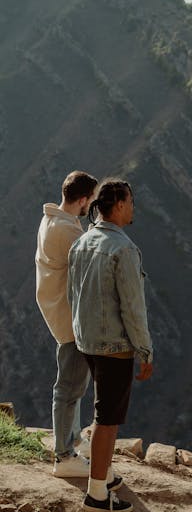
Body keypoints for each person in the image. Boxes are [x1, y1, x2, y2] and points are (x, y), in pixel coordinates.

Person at [67, 179, 153, 512]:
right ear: (117, 204)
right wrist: (145, 351)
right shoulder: (123, 249)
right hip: (115, 345)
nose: (133, 207)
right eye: (130, 201)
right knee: (108, 418)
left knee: (102, 411)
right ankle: (97, 494)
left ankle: (105, 472)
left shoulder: (82, 242)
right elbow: (133, 308)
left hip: (86, 340)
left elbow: (74, 294)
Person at [35, 170, 98, 477]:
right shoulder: (67, 231)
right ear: (84, 199)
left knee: (74, 384)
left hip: (58, 311)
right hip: (70, 317)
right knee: (69, 388)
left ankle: (71, 439)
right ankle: (64, 456)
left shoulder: (52, 220)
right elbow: (92, 258)